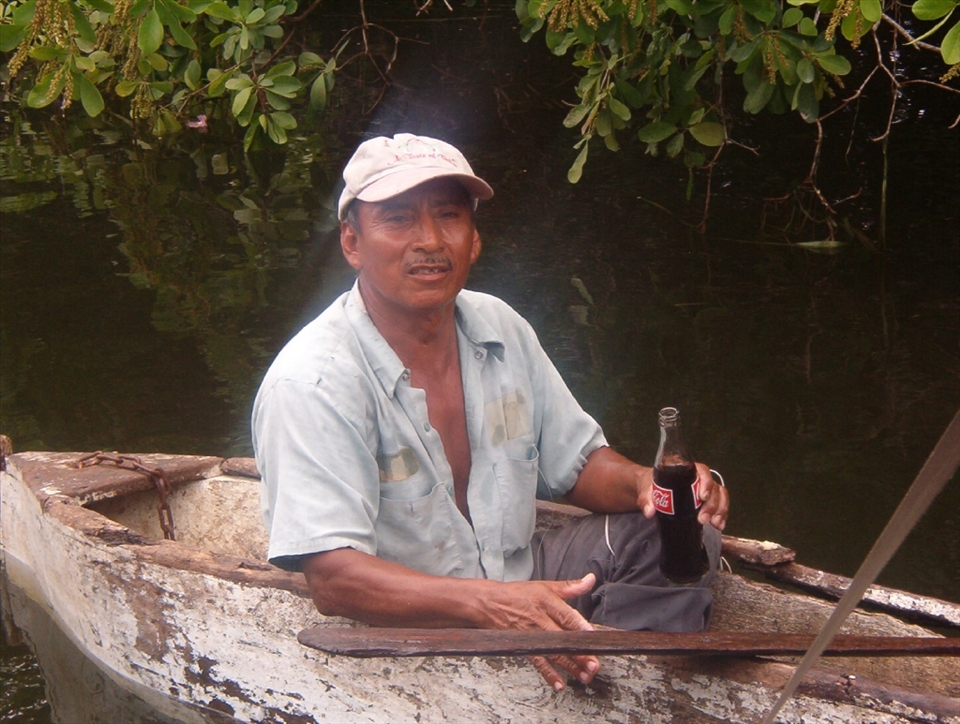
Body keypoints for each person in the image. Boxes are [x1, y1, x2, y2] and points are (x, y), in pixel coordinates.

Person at [252, 133, 730, 691]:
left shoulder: (499, 326)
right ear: (352, 243)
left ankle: (621, 683)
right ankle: (604, 678)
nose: (429, 240)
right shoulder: (312, 382)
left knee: (681, 531)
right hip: (412, 623)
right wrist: (493, 605)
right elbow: (334, 582)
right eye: (399, 219)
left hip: (516, 576)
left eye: (449, 216)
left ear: (473, 239)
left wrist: (648, 485)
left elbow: (577, 466)